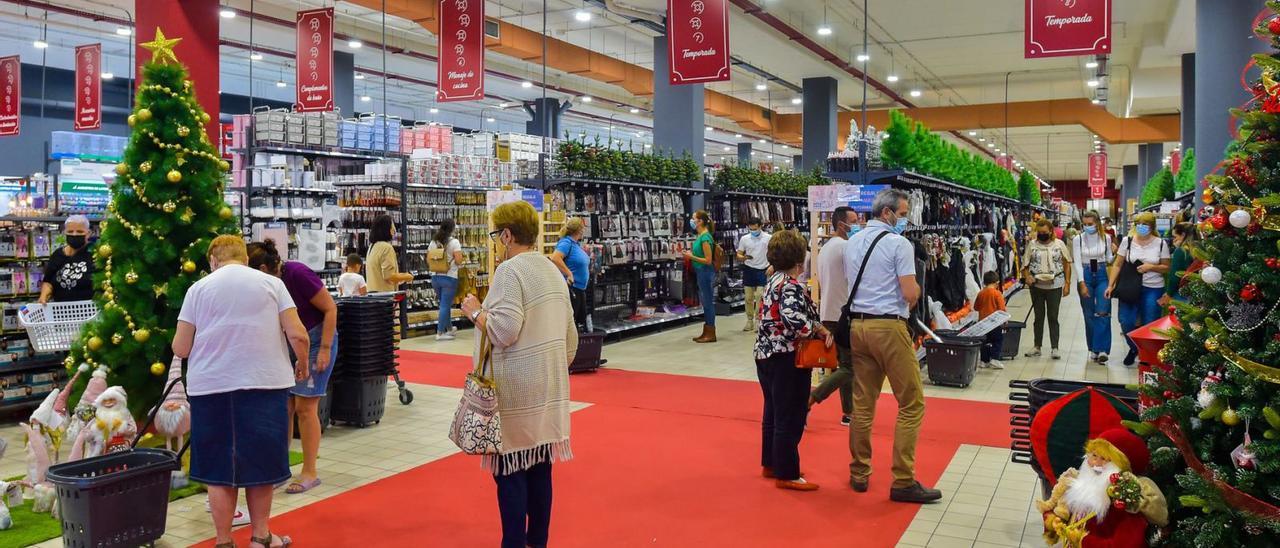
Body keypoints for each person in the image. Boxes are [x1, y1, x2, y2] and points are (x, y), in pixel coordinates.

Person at [172, 235, 311, 548]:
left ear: (213, 260)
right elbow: (299, 335)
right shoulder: (272, 285)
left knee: (219, 468)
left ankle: (223, 541)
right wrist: (301, 364)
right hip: (264, 383)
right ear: (245, 259)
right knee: (261, 464)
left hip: (211, 387)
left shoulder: (198, 289)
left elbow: (180, 346)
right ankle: (260, 536)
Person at [459, 201, 577, 548]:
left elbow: (505, 329)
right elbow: (570, 336)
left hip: (515, 392)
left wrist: (475, 311)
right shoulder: (551, 270)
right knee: (540, 468)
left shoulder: (511, 271)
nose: (497, 241)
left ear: (508, 235)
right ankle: (536, 541)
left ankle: (512, 542)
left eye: (497, 235)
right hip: (548, 386)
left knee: (509, 472)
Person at [844, 188, 941, 503]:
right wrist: (911, 298)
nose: (904, 220)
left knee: (862, 404)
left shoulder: (853, 241)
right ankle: (902, 480)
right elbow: (910, 292)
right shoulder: (899, 244)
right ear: (886, 213)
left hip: (858, 327)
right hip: (889, 327)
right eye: (901, 214)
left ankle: (859, 472)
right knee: (911, 402)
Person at [246, 240, 339, 496]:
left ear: (264, 268)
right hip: (289, 341)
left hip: (317, 340)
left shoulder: (297, 274)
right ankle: (280, 467)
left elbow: (330, 308)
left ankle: (310, 472)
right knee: (283, 406)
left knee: (305, 407)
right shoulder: (263, 283)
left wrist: (325, 349)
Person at [755, 229, 833, 492]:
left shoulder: (772, 280)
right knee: (790, 414)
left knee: (773, 412)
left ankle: (772, 463)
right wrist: (818, 329)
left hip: (766, 354)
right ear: (799, 260)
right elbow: (794, 321)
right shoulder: (789, 285)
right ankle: (787, 472)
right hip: (786, 356)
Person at [810, 206, 857, 426]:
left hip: (828, 311)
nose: (858, 225)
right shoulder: (846, 248)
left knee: (844, 365)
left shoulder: (825, 248)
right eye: (854, 221)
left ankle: (849, 412)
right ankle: (811, 399)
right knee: (849, 367)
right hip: (843, 314)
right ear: (841, 224)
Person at [1107, 212, 1171, 366]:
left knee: (1150, 322)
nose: (1142, 227)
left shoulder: (1161, 243)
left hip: (1153, 287)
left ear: (1152, 226)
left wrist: (1151, 267)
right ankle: (1135, 348)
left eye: (1146, 224)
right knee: (1126, 320)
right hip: (1129, 286)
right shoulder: (1127, 241)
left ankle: (1147, 356)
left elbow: (1167, 267)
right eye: (1139, 224)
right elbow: (1117, 264)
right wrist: (1111, 285)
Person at [1022, 218, 1072, 360]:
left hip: (1055, 285)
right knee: (1038, 317)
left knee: (1053, 317)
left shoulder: (1059, 244)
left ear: (1051, 231)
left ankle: (1054, 347)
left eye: (1045, 232)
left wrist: (1067, 283)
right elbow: (1025, 264)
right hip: (1036, 286)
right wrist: (1027, 277)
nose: (1042, 234)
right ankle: (1037, 346)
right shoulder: (1032, 245)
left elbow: (1067, 263)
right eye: (1039, 232)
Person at [1073, 210, 1114, 363]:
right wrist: (1081, 282)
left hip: (1102, 273)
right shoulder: (1078, 239)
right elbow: (1077, 261)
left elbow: (1109, 258)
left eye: (1090, 224)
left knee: (1103, 311)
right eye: (1085, 224)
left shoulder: (1106, 237)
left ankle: (1103, 348)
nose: (1087, 227)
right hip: (1086, 273)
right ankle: (1093, 348)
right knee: (1089, 314)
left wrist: (1114, 254)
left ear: (1097, 223)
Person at [38, 215, 93, 303]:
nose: (74, 234)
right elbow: (48, 281)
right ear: (64, 233)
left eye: (80, 231)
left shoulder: (94, 254)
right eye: (70, 231)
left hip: (88, 311)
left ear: (88, 233)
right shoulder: (57, 255)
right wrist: (44, 296)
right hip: (61, 311)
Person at [428, 219, 466, 341]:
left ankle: (449, 329)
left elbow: (428, 258)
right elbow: (459, 260)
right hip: (449, 277)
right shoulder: (454, 242)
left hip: (435, 277)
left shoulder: (433, 242)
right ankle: (440, 333)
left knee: (444, 304)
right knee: (445, 305)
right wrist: (456, 262)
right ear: (452, 229)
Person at [550, 217, 591, 330]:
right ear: (579, 230)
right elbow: (555, 258)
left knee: (578, 324)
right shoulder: (566, 242)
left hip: (579, 290)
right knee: (570, 324)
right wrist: (569, 274)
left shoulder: (575, 244)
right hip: (572, 289)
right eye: (582, 228)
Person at [683, 209, 718, 343]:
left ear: (700, 221)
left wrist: (690, 256)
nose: (692, 221)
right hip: (701, 272)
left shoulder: (705, 237)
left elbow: (708, 260)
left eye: (694, 218)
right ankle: (707, 330)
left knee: (708, 302)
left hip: (705, 272)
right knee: (705, 302)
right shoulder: (701, 236)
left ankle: (710, 332)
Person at [736, 217, 771, 332]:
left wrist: (772, 265)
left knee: (760, 296)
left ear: (760, 226)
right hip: (749, 269)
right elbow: (739, 254)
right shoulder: (744, 239)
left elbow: (773, 253)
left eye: (755, 229)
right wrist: (743, 257)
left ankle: (758, 320)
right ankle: (749, 320)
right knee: (748, 297)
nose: (753, 231)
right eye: (751, 229)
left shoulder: (768, 238)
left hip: (763, 269)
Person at [365, 214, 414, 292]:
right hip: (385, 296)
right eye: (392, 225)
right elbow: (389, 276)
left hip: (373, 294)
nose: (394, 229)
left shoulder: (372, 246)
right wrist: (406, 276)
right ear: (386, 228)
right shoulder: (386, 248)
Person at [974, 271, 1007, 370]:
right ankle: (995, 359)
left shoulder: (981, 293)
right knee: (998, 340)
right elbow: (1002, 309)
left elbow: (976, 307)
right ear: (997, 282)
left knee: (985, 342)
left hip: (982, 323)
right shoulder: (997, 294)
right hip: (994, 323)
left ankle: (984, 361)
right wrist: (1005, 320)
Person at [1161, 222, 1197, 306]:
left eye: (1175, 237)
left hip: (1182, 293)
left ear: (1183, 235)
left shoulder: (1181, 251)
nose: (1173, 240)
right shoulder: (1200, 248)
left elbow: (1175, 276)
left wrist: (1169, 294)